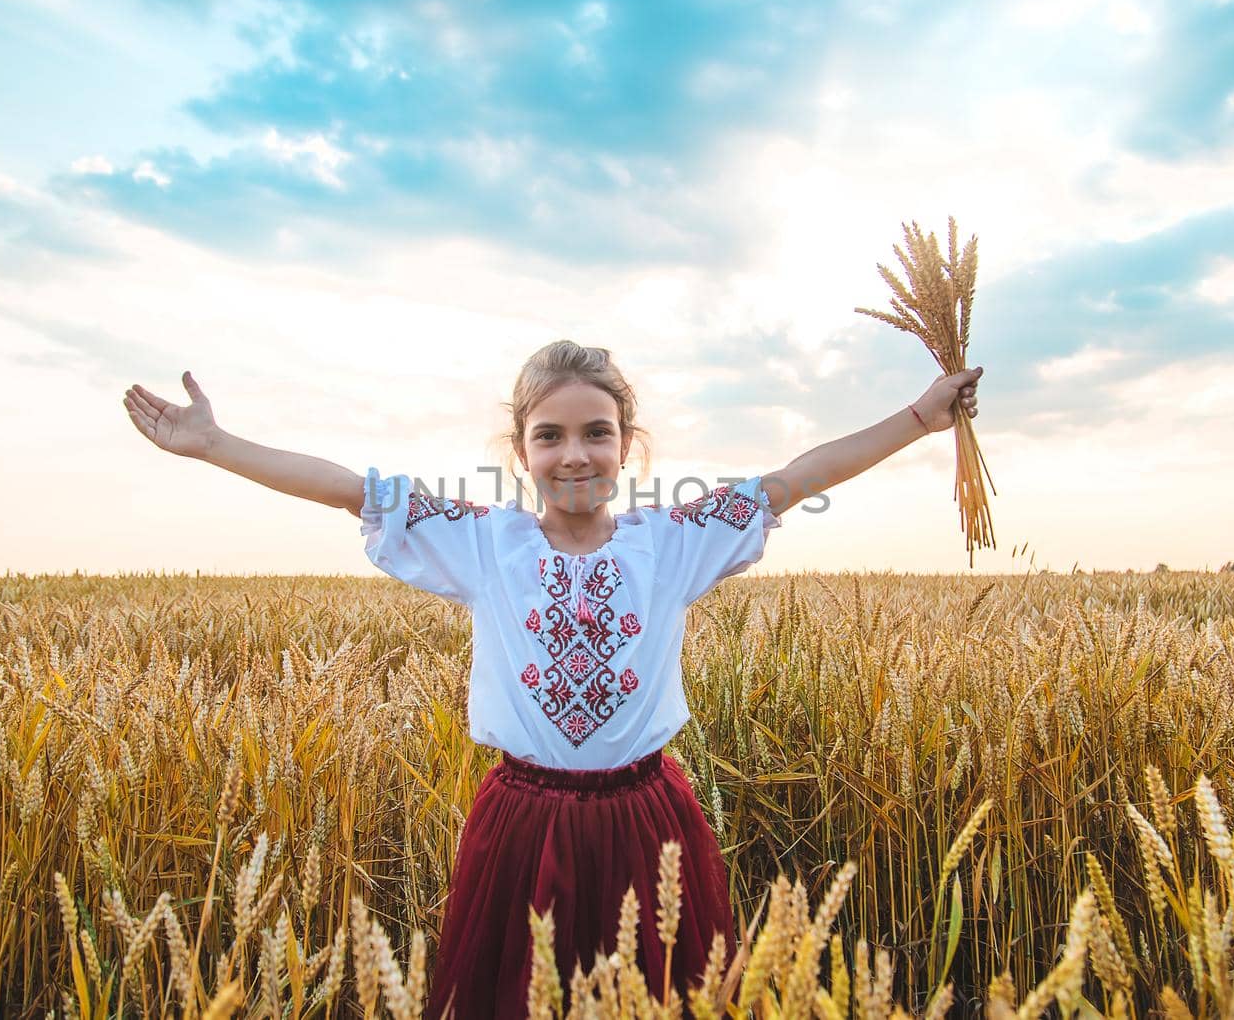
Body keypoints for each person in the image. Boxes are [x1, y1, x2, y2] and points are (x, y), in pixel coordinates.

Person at [122, 340, 981, 1017]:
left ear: (628, 446)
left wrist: (918, 416)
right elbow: (350, 490)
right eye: (551, 435)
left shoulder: (673, 541)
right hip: (521, 827)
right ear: (521, 450)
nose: (576, 453)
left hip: (651, 824)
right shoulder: (484, 542)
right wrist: (214, 445)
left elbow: (796, 479)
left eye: (596, 432)